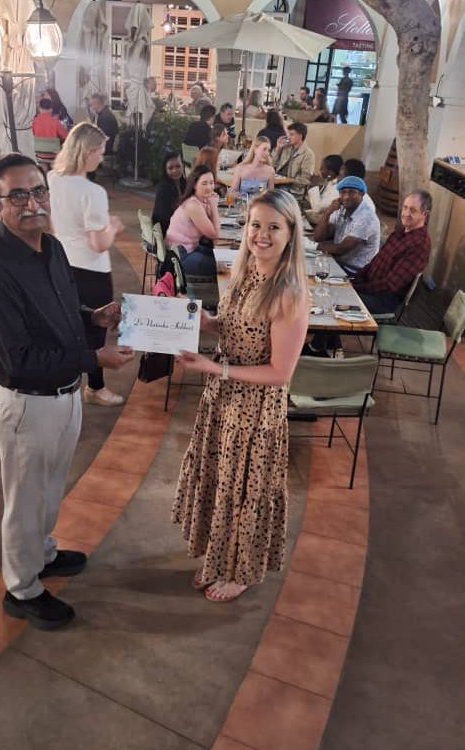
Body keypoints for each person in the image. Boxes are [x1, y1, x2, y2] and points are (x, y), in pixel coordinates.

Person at [0, 153, 134, 630]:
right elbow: (16, 360)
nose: (32, 203)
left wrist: (93, 317)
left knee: (50, 489)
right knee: (24, 503)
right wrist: (94, 359)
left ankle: (41, 553)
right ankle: (22, 589)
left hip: (64, 396)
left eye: (38, 191)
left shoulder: (52, 249)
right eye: (17, 195)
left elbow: (61, 309)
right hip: (26, 406)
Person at [172, 190, 309, 603]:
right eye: (255, 224)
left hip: (254, 410)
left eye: (273, 227)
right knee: (221, 483)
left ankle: (242, 570)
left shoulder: (289, 293)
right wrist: (202, 321)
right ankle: (218, 558)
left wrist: (215, 368)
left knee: (245, 491)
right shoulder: (243, 271)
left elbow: (280, 373)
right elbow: (235, 326)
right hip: (223, 399)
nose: (261, 235)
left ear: (291, 234)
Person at [48, 122, 127, 407]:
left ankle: (65, 381)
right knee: (96, 329)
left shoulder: (52, 178)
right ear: (87, 152)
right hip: (92, 270)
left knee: (66, 322)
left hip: (62, 263)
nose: (101, 159)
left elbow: (51, 222)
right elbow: (98, 244)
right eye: (100, 152)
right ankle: (95, 387)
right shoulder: (92, 192)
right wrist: (113, 228)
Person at [353, 191, 432, 313]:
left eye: (413, 210)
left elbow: (389, 285)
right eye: (405, 207)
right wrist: (355, 279)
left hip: (383, 300)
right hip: (369, 288)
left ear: (424, 214)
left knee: (339, 300)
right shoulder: (399, 233)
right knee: (334, 289)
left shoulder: (420, 244)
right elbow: (374, 263)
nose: (406, 213)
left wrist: (357, 288)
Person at [312, 175, 380, 276]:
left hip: (354, 271)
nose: (346, 197)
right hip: (338, 263)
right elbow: (319, 237)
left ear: (362, 194)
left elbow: (341, 249)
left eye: (352, 192)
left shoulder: (366, 217)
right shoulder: (341, 209)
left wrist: (312, 246)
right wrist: (328, 212)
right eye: (343, 192)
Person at [166, 164, 220, 276]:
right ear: (195, 185)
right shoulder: (193, 205)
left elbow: (211, 226)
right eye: (204, 183)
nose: (209, 187)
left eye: (211, 183)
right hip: (181, 257)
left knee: (227, 258)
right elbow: (215, 234)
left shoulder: (199, 201)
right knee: (224, 266)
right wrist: (214, 206)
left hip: (190, 250)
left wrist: (210, 205)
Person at [272, 122, 315, 201]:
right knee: (260, 189)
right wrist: (278, 148)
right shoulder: (286, 148)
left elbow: (305, 180)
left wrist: (286, 180)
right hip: (277, 184)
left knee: (272, 198)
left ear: (300, 136)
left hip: (293, 189)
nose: (288, 137)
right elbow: (271, 164)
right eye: (288, 134)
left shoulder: (308, 154)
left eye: (291, 134)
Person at [152, 151, 185, 237]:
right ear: (165, 170)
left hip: (180, 230)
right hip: (167, 234)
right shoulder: (164, 189)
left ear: (183, 166)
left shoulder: (185, 184)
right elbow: (165, 218)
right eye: (170, 168)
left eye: (178, 166)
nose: (175, 170)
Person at [305, 154, 344, 225]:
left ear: (330, 173)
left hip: (326, 223)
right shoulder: (330, 182)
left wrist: (314, 185)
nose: (320, 170)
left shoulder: (336, 189)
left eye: (322, 168)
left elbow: (317, 208)